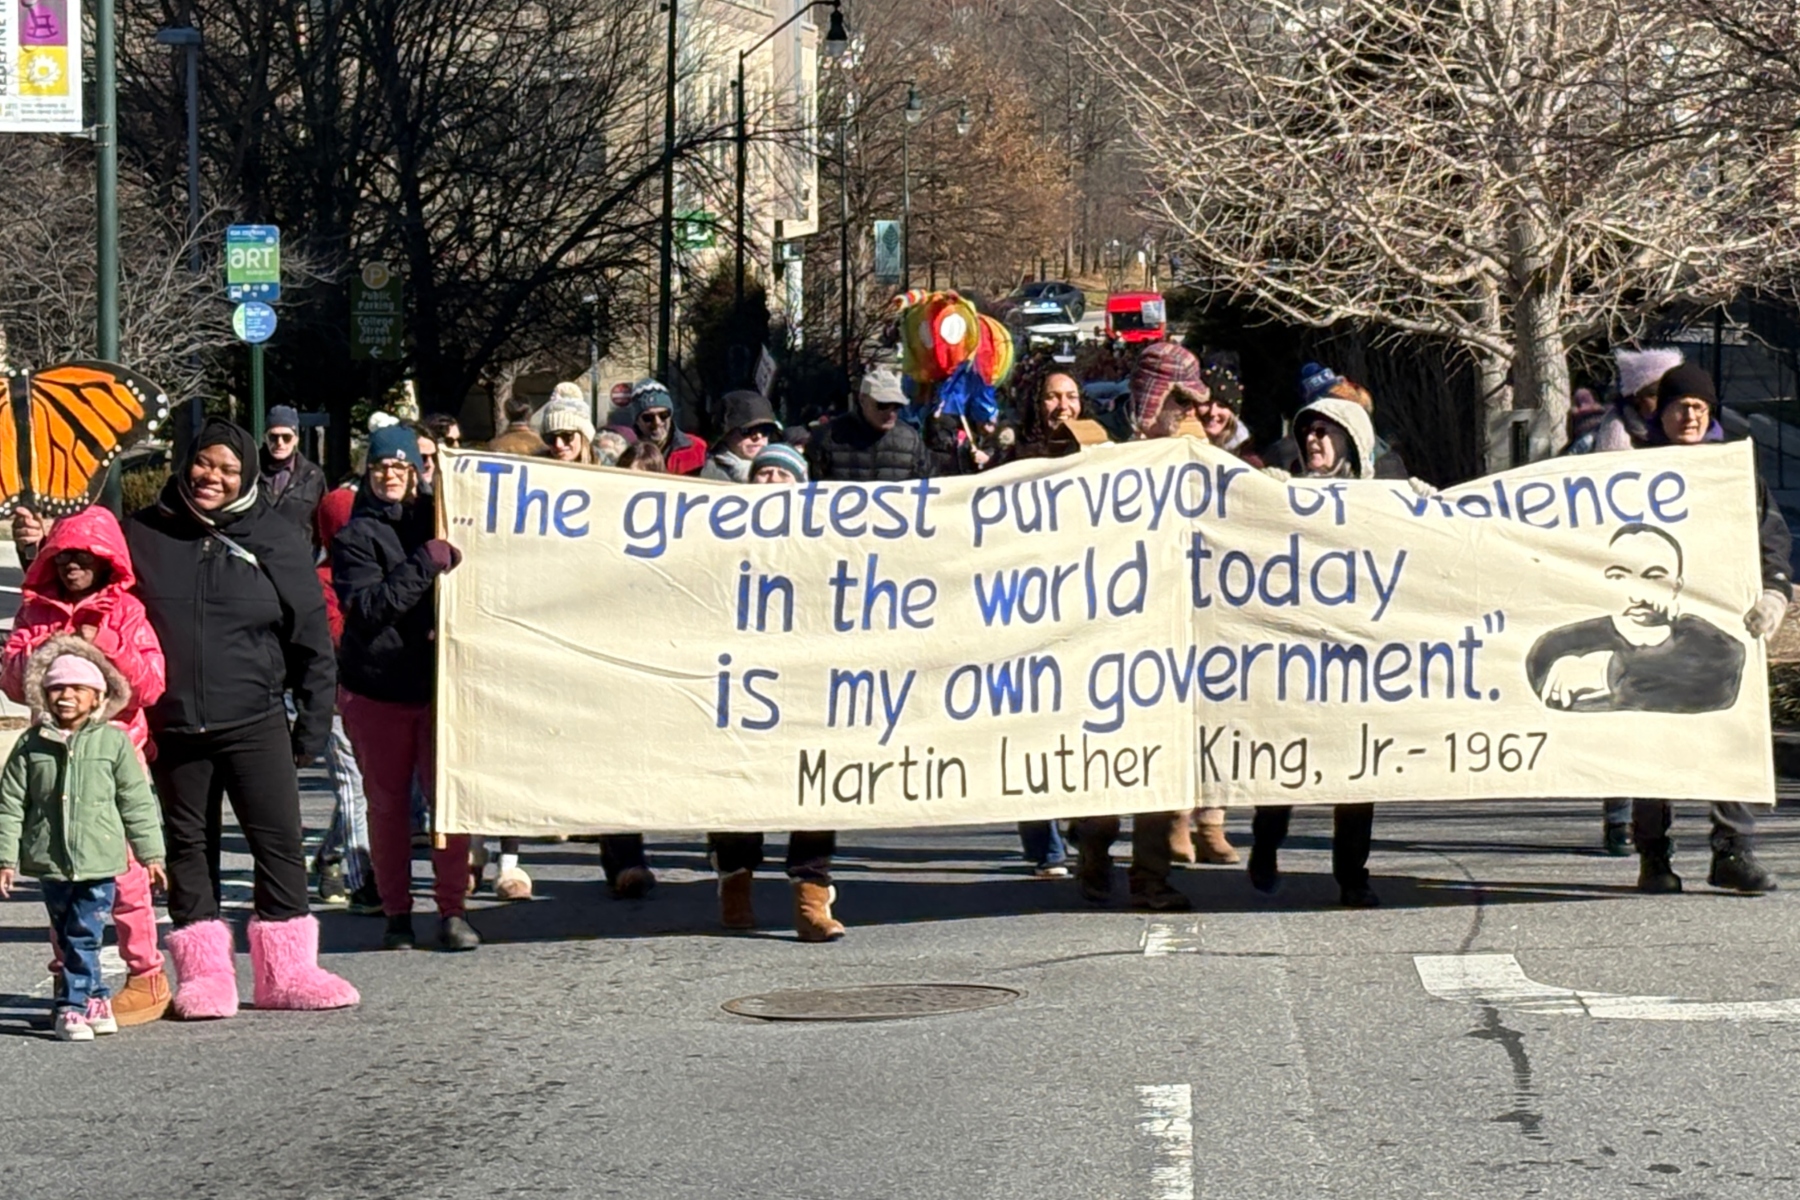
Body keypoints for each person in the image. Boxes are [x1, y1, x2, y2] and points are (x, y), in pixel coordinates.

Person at [126, 418, 357, 1018]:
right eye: (205, 463)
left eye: (229, 469)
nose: (214, 478)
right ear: (185, 463)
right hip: (172, 723)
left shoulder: (276, 537)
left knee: (277, 842)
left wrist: (311, 721)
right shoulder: (143, 533)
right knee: (188, 847)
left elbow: (312, 638)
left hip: (254, 717)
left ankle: (287, 973)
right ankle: (205, 976)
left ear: (248, 475)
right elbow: (87, 573)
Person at [1625, 362, 1791, 894]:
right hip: (1649, 628)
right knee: (1651, 740)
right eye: (1679, 406)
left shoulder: (1735, 472)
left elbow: (1770, 536)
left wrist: (1775, 591)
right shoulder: (1626, 474)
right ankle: (1653, 855)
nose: (1690, 415)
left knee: (1730, 733)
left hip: (1722, 628)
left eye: (1699, 406)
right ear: (1661, 414)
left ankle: (1733, 850)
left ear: (1711, 412)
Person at [0, 506, 170, 1024]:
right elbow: (10, 679)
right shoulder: (35, 613)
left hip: (113, 756)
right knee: (60, 870)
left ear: (107, 562)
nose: (73, 565)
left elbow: (150, 684)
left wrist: (105, 644)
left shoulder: (127, 612)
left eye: (86, 557)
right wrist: (47, 653)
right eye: (64, 555)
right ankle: (70, 975)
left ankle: (145, 973)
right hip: (53, 759)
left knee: (126, 877)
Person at [1075, 344, 1211, 913]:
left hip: (1172, 636)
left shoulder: (1198, 458)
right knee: (1104, 769)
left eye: (1192, 402)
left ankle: (1150, 876)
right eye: (1177, 401)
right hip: (1103, 634)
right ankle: (1094, 850)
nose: (1187, 413)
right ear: (1152, 397)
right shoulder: (1095, 451)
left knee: (1165, 761)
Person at [333, 425, 480, 950]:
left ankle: (452, 909)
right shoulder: (354, 537)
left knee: (450, 803)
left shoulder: (435, 518)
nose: (391, 476)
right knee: (390, 806)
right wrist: (425, 563)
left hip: (441, 686)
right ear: (368, 473)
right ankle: (397, 912)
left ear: (416, 472)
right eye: (381, 468)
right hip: (378, 690)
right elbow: (369, 610)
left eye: (400, 467)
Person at [1247, 394, 1383, 907]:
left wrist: (1420, 504)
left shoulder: (1379, 504)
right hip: (1294, 659)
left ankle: (1353, 876)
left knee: (1357, 771)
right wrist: (1266, 500)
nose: (1314, 440)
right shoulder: (1280, 495)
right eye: (1309, 431)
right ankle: (1266, 844)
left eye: (1327, 431)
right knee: (1285, 767)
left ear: (1352, 443)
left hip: (1356, 661)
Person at [705, 447, 844, 941]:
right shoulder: (719, 541)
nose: (769, 481)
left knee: (815, 783)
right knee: (740, 784)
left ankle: (811, 895)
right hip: (742, 683)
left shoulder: (824, 545)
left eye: (781, 474)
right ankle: (735, 884)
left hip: (806, 683)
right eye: (761, 472)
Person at [308, 487, 382, 911]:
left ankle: (330, 854)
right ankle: (361, 877)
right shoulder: (321, 582)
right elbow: (335, 638)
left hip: (372, 690)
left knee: (366, 784)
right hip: (333, 695)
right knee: (353, 782)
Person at [806, 368, 933, 483]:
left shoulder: (911, 440)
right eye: (882, 405)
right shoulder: (827, 437)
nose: (891, 413)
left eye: (897, 405)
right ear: (862, 400)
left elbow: (927, 489)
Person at [1594, 347, 1684, 452]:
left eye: (1671, 393)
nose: (1663, 400)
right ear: (1635, 398)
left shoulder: (1692, 428)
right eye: (1653, 394)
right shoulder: (1611, 431)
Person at [261, 405, 328, 536]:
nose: (280, 443)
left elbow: (323, 523)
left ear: (296, 439)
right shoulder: (250, 471)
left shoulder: (314, 477)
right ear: (265, 438)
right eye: (273, 437)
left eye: (286, 437)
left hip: (299, 553)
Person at [627, 380, 708, 476]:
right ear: (637, 421)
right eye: (648, 417)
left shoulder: (697, 448)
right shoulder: (626, 453)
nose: (657, 422)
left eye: (663, 415)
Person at [1195, 357, 1263, 467]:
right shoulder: (1175, 442)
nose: (1212, 412)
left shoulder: (1247, 459)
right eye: (1206, 403)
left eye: (1222, 406)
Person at [701, 391, 782, 482]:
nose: (758, 436)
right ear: (726, 434)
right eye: (747, 430)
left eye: (766, 430)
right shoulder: (707, 478)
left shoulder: (785, 472)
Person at [1008, 370, 1084, 462]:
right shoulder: (1013, 451)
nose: (1063, 406)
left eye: (1071, 397)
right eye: (1052, 397)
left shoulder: (1096, 446)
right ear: (1037, 403)